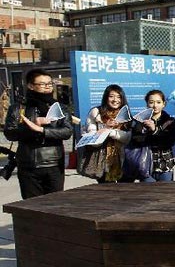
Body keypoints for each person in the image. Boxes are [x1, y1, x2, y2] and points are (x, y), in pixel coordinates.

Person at [3, 68, 73, 199]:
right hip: (28, 164)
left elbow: (67, 132)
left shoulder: (60, 108)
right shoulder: (18, 108)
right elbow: (10, 133)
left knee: (56, 203)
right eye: (42, 84)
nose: (47, 87)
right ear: (30, 86)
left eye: (49, 84)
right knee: (32, 205)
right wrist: (31, 126)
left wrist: (42, 130)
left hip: (54, 163)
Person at [122, 90, 175, 182]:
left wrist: (154, 130)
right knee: (149, 195)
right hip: (145, 166)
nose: (155, 105)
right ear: (147, 104)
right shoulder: (140, 121)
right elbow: (137, 140)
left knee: (166, 194)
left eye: (158, 102)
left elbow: (170, 141)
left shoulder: (169, 121)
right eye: (151, 102)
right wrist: (157, 137)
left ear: (164, 104)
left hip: (165, 166)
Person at [86, 84, 132, 183]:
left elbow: (128, 138)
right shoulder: (96, 113)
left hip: (124, 160)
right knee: (107, 192)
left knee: (126, 192)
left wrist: (110, 132)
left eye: (119, 97)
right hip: (102, 160)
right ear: (106, 97)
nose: (115, 100)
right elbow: (92, 140)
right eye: (111, 96)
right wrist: (106, 127)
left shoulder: (125, 114)